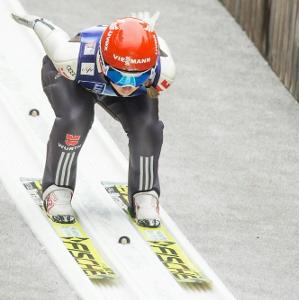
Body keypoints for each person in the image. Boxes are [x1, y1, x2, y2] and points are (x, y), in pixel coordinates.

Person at [11, 12, 176, 228]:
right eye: (120, 76)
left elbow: (158, 45)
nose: (127, 86)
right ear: (102, 62)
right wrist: (36, 21)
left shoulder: (163, 73)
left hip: (107, 77)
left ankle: (145, 193)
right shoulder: (69, 56)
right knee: (75, 119)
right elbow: (50, 32)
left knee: (148, 128)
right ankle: (57, 188)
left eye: (138, 77)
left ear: (150, 71)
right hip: (75, 78)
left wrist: (146, 30)